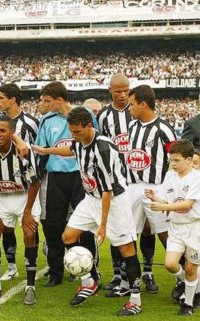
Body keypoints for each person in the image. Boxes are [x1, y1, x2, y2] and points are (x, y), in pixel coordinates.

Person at [33, 107, 142, 316]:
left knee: (126, 249)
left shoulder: (102, 149)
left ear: (89, 126)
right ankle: (89, 281)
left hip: (113, 201)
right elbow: (71, 149)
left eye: (76, 132)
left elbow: (108, 190)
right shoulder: (79, 141)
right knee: (68, 236)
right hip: (90, 199)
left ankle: (135, 299)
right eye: (71, 131)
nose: (73, 136)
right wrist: (46, 151)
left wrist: (102, 225)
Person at [34, 81, 99, 288]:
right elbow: (42, 148)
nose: (44, 104)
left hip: (80, 177)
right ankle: (55, 272)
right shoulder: (47, 120)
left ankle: (91, 272)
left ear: (59, 100)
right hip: (56, 177)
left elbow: (94, 141)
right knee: (53, 225)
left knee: (84, 226)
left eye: (47, 101)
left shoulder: (84, 114)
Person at [0, 115, 42, 303]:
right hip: (1, 197)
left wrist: (28, 212)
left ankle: (30, 287)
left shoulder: (23, 151)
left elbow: (35, 182)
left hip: (25, 197)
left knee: (29, 234)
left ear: (12, 133)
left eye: (2, 130)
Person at [125, 85, 177, 295]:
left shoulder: (163, 128)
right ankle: (131, 279)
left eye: (132, 104)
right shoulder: (132, 127)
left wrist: (170, 188)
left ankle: (182, 278)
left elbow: (176, 157)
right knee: (129, 233)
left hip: (155, 188)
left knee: (165, 234)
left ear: (143, 104)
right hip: (132, 187)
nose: (129, 108)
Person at [145, 140, 200, 316]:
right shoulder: (169, 176)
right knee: (170, 265)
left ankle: (188, 305)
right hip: (176, 227)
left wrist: (163, 207)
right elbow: (166, 201)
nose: (173, 164)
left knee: (191, 268)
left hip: (194, 227)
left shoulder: (196, 178)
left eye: (177, 160)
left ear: (189, 160)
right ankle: (192, 285)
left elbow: (186, 205)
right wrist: (156, 198)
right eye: (171, 160)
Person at [0, 83, 40, 282]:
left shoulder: (30, 122)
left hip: (30, 183)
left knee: (31, 227)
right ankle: (12, 266)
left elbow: (38, 147)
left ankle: (35, 263)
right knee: (6, 228)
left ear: (12, 99)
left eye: (0, 98)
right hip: (4, 187)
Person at [96, 73, 134, 293]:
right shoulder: (103, 116)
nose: (122, 95)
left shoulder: (136, 110)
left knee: (139, 229)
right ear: (110, 90)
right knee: (115, 228)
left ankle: (145, 272)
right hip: (114, 181)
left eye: (126, 90)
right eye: (118, 91)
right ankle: (119, 275)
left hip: (136, 180)